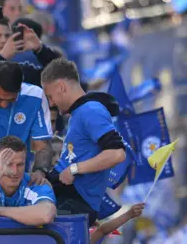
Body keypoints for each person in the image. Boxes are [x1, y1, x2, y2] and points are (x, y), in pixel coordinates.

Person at [40, 58, 126, 225]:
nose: (51, 103)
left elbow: (117, 153)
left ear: (61, 87)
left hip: (76, 204)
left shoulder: (90, 111)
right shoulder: (78, 113)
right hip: (65, 197)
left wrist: (74, 169)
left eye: (50, 96)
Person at [0, 17, 60, 86]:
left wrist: (40, 49)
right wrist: (1, 57)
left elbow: (60, 74)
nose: (4, 40)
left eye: (7, 35)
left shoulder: (20, 69)